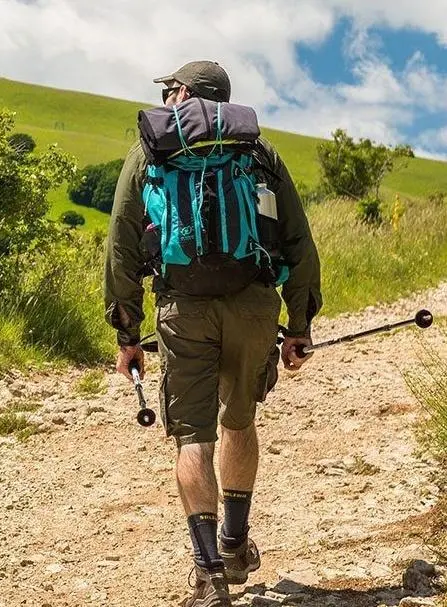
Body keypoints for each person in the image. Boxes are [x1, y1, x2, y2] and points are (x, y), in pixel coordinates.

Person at [104, 61, 322, 606]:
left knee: (193, 436)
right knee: (240, 421)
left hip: (184, 311)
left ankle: (207, 575)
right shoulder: (257, 151)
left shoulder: (151, 150)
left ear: (180, 93)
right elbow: (298, 241)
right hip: (252, 305)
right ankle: (234, 540)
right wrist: (298, 326)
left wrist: (127, 334)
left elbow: (122, 248)